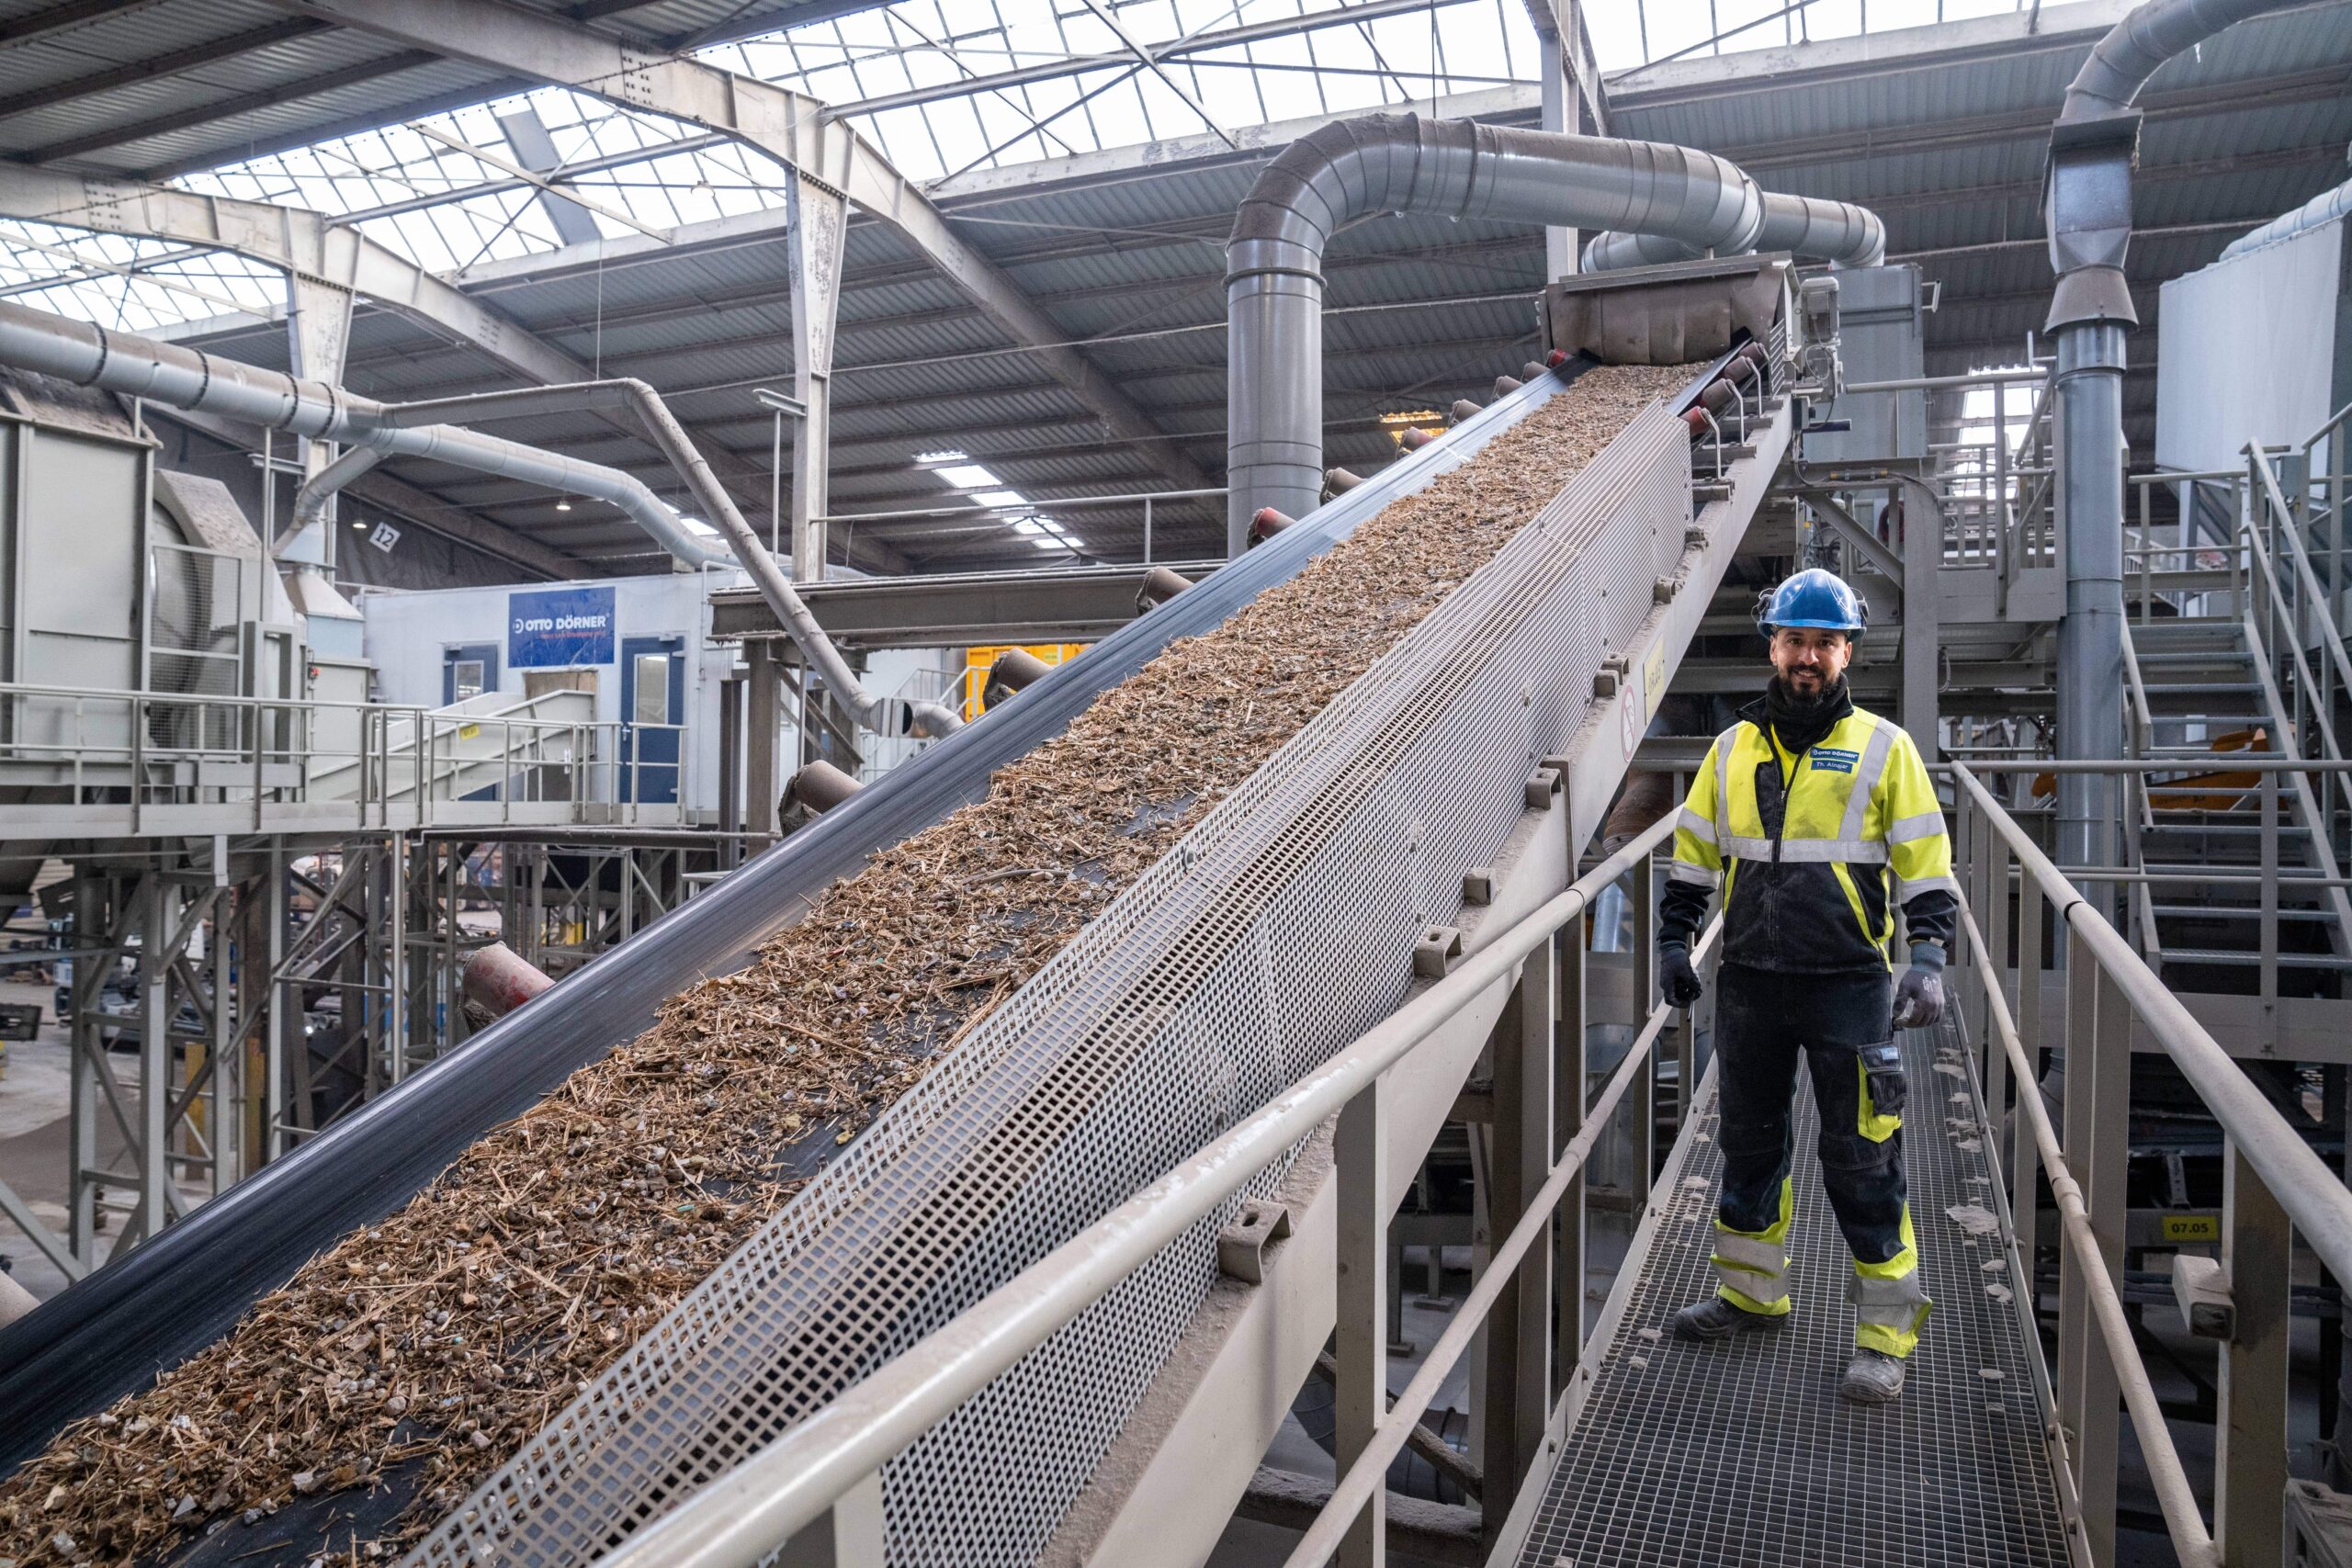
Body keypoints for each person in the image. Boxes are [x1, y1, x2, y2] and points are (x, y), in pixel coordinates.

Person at [1655, 567, 1956, 1404]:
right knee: (1749, 1148)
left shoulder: (1884, 748)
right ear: (1773, 647)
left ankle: (1884, 1337)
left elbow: (1925, 867)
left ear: (1846, 650)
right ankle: (1753, 1294)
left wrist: (1926, 958)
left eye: (1824, 642)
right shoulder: (1733, 749)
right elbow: (1692, 861)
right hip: (1750, 980)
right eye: (1795, 640)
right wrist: (1674, 943)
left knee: (1862, 1157)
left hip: (1849, 984)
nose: (1808, 656)